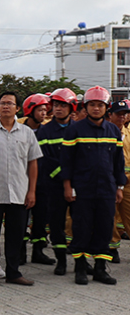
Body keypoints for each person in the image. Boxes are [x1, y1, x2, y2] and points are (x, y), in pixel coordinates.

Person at [0, 92, 42, 287]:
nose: (5, 106)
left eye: (10, 103)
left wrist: (32, 191)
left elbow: (33, 164)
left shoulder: (27, 133)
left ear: (17, 108)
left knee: (16, 234)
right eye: (2, 103)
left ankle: (13, 272)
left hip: (19, 192)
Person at [61, 86, 126, 285]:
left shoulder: (113, 130)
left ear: (106, 108)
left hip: (106, 189)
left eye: (100, 105)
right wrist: (67, 186)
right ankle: (80, 268)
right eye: (92, 105)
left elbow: (118, 163)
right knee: (81, 227)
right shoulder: (75, 130)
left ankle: (100, 269)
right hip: (82, 190)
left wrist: (120, 187)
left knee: (104, 228)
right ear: (85, 107)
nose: (96, 108)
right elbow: (67, 161)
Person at [36, 88, 78, 275]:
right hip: (52, 186)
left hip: (78, 185)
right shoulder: (44, 131)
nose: (58, 109)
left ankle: (81, 261)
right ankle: (61, 261)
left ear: (72, 108)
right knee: (56, 224)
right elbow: (44, 160)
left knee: (80, 224)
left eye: (63, 105)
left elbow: (83, 156)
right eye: (56, 105)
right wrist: (64, 174)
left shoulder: (79, 130)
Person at [19, 93, 55, 265]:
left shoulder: (47, 131)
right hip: (22, 182)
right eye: (40, 110)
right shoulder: (19, 130)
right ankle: (19, 252)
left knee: (41, 219)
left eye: (45, 110)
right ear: (30, 110)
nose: (44, 113)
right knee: (20, 219)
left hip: (44, 183)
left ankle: (38, 251)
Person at [106, 100, 130, 263]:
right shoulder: (105, 133)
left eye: (125, 114)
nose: (122, 117)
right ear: (110, 115)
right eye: (118, 114)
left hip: (129, 183)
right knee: (110, 217)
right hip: (110, 182)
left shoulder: (128, 134)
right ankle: (112, 248)